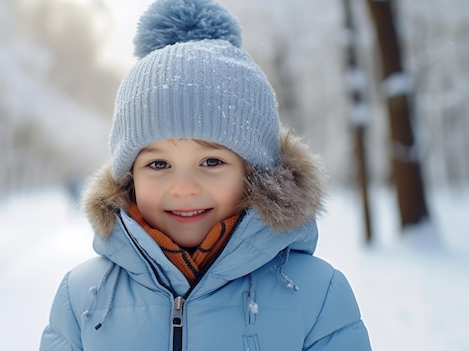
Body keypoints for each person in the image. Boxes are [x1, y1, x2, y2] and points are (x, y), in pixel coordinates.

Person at [39, 0, 372, 350]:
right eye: (158, 164)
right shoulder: (80, 299)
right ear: (129, 178)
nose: (183, 188)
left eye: (212, 162)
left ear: (255, 173)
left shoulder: (318, 297)